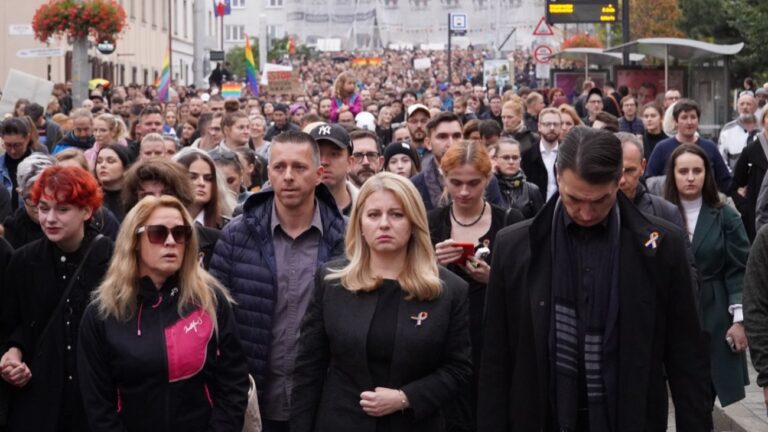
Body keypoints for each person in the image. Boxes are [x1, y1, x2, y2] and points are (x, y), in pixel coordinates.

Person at [478, 127, 712, 431]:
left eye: (599, 201)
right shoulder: (515, 248)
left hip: (629, 417)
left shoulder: (662, 247)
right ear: (558, 176)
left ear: (620, 182)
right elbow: (496, 360)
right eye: (574, 199)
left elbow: (687, 357)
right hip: (541, 416)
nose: (586, 214)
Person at [290, 172, 472, 432]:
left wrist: (406, 397)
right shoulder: (332, 282)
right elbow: (308, 367)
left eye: (396, 215)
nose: (384, 224)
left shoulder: (449, 289)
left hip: (415, 423)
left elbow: (459, 369)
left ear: (413, 222)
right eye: (374, 215)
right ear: (360, 224)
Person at [209, 131, 346, 431]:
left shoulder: (347, 238)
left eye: (299, 167)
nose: (287, 176)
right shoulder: (238, 235)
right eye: (279, 167)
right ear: (267, 171)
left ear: (319, 174)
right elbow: (215, 318)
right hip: (253, 401)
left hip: (321, 403)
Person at [77, 195, 249, 431]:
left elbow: (233, 382)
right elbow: (97, 402)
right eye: (158, 233)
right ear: (134, 240)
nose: (170, 241)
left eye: (180, 233)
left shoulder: (210, 300)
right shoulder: (103, 311)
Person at [1, 165, 114, 432]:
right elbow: (11, 324)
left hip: (94, 399)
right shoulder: (24, 261)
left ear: (86, 211)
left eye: (62, 210)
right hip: (39, 399)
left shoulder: (111, 258)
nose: (50, 218)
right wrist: (12, 355)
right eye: (43, 208)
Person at [427, 141, 521, 431]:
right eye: (456, 183)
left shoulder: (509, 221)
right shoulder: (432, 223)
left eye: (473, 183)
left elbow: (527, 289)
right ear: (444, 179)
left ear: (487, 179)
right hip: (442, 341)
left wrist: (495, 280)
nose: (464, 192)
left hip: (491, 340)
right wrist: (432, 266)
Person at [662, 144, 750, 408]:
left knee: (703, 395)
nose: (690, 177)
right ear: (673, 174)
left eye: (697, 171)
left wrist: (739, 320)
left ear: (706, 174)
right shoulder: (658, 213)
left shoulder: (725, 214)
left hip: (715, 311)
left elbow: (740, 267)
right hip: (673, 312)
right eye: (684, 171)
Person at [121, 158, 221, 269]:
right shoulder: (125, 242)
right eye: (148, 196)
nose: (158, 201)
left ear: (180, 197)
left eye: (166, 194)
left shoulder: (214, 241)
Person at [411, 112, 503, 212]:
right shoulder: (415, 186)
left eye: (456, 136)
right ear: (428, 143)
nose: (451, 143)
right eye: (442, 137)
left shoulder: (486, 180)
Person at [646, 99, 732, 193]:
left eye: (693, 117)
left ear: (698, 121)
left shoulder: (710, 147)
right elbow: (649, 181)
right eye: (684, 117)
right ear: (676, 121)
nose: (689, 122)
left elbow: (725, 181)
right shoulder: (662, 148)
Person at [615, 132, 684, 230]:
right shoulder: (590, 213)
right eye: (615, 171)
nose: (622, 180)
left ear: (643, 166)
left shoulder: (666, 212)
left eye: (630, 170)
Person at [730, 109, 768, 241]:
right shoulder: (750, 150)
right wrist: (746, 208)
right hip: (756, 219)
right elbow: (734, 187)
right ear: (763, 120)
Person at [173, 148, 231, 229]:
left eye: (208, 178)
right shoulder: (162, 223)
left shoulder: (226, 227)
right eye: (192, 177)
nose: (201, 183)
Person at [309, 123, 358, 216]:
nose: (324, 162)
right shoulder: (291, 211)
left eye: (334, 154)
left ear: (350, 162)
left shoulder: (367, 206)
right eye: (317, 154)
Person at [0, 118, 46, 211]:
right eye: (8, 145)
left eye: (17, 145)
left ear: (27, 138)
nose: (12, 151)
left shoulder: (41, 166)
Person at [493, 138, 544, 219]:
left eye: (515, 157)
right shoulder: (489, 187)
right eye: (506, 157)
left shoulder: (531, 190)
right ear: (495, 159)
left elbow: (541, 223)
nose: (511, 162)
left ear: (520, 159)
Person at [521, 107, 562, 202]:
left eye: (555, 124)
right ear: (539, 126)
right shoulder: (527, 156)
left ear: (560, 126)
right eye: (547, 124)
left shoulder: (568, 155)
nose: (552, 128)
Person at [719, 91, 759, 172]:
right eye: (742, 104)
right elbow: (722, 159)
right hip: (735, 181)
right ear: (738, 108)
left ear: (755, 108)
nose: (745, 107)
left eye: (748, 104)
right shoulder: (728, 130)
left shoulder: (764, 129)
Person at [95, 144, 133, 221]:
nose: (102, 165)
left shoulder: (134, 198)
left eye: (110, 161)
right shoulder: (91, 198)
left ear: (125, 167)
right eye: (99, 161)